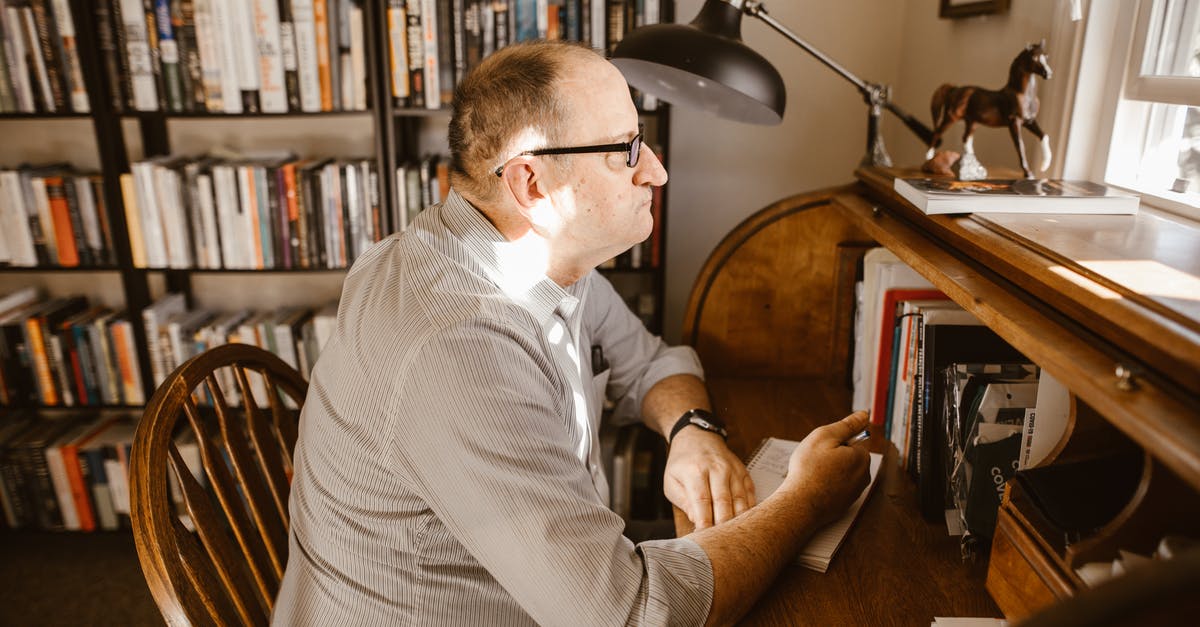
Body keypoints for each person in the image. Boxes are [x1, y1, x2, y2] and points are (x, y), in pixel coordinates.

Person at [272, 41, 870, 626]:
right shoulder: (460, 345)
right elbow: (633, 615)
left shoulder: (534, 258)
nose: (656, 171)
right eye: (626, 149)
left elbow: (652, 363)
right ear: (533, 186)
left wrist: (693, 431)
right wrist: (806, 502)